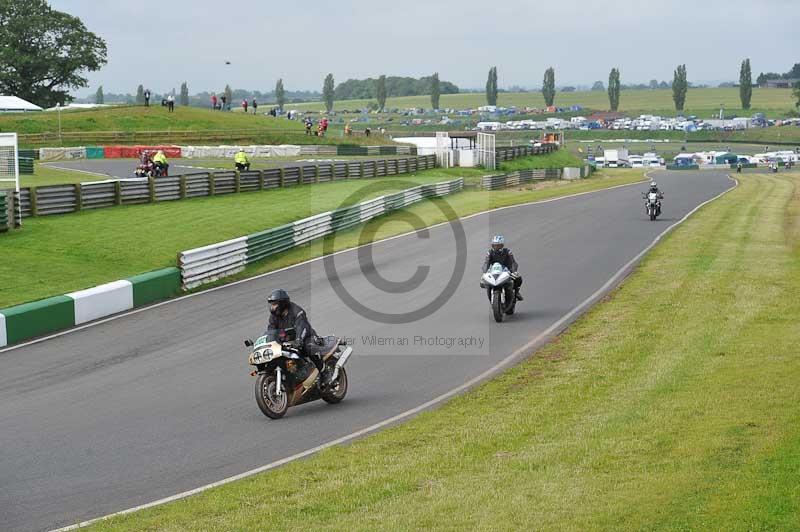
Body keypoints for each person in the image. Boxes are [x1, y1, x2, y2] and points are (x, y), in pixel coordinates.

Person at [265, 289, 328, 388]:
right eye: (271, 304)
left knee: (308, 347)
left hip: (306, 337)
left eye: (274, 304)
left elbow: (301, 327)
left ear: (282, 304)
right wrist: (269, 342)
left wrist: (299, 341)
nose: (272, 307)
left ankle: (324, 373)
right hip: (287, 341)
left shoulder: (297, 311)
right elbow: (271, 330)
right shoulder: (274, 317)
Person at [482, 235, 523, 301]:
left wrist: (514, 271)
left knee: (518, 278)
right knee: (483, 281)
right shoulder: (489, 252)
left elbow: (513, 262)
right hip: (494, 271)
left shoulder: (507, 251)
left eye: (498, 245)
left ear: (502, 245)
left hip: (506, 270)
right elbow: (486, 263)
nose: (496, 247)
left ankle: (516, 292)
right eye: (494, 245)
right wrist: (484, 272)